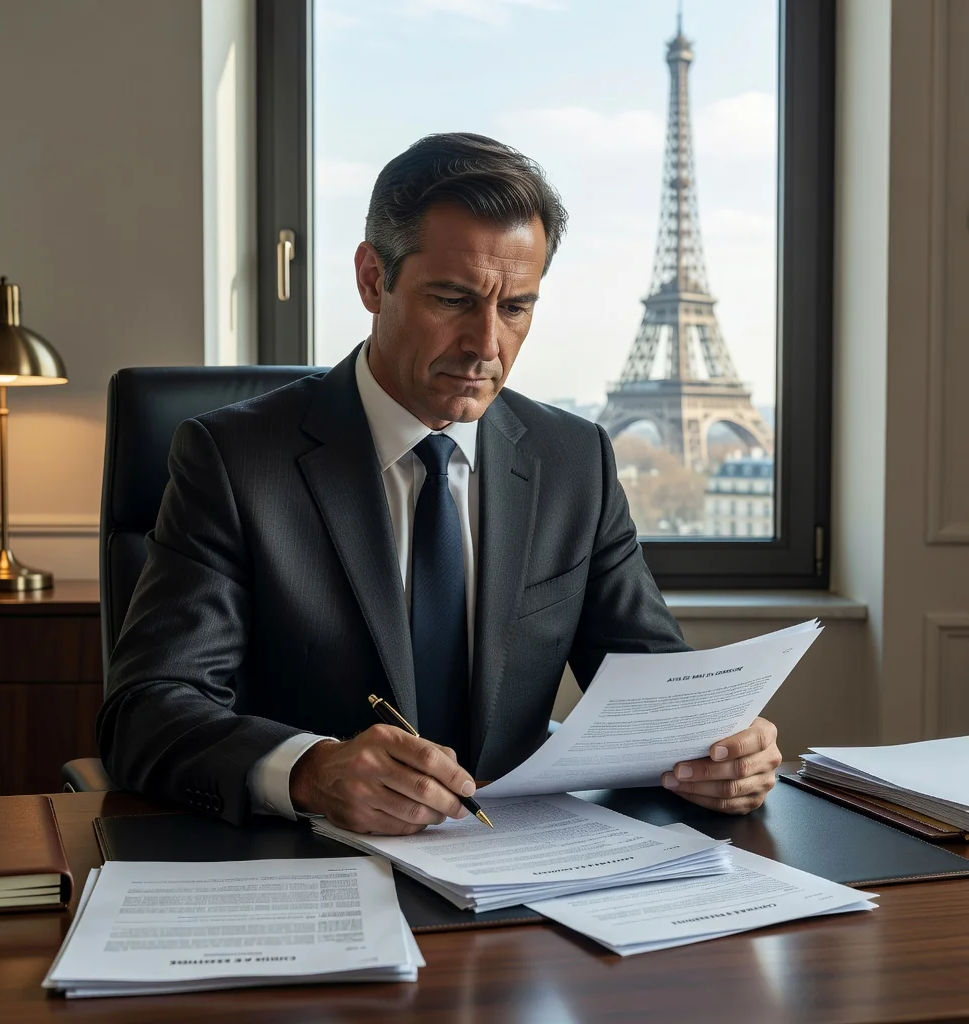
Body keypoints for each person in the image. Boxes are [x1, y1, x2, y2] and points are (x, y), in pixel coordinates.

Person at [98, 133, 781, 835]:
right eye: (453, 300)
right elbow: (146, 711)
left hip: (523, 870)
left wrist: (722, 746)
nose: (486, 344)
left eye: (515, 308)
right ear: (372, 280)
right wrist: (310, 770)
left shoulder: (574, 460)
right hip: (312, 866)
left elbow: (657, 687)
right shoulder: (234, 459)